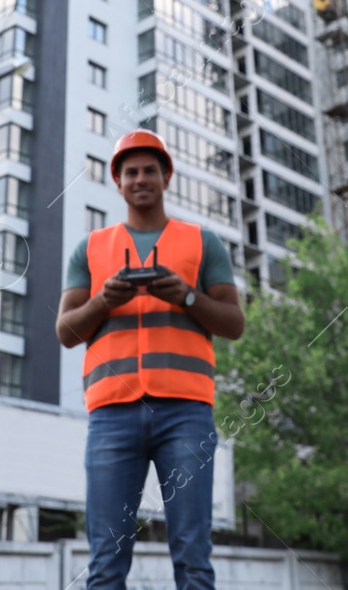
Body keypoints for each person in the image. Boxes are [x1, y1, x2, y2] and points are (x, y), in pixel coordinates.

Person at [55, 129, 246, 590]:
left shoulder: (203, 243)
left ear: (166, 177)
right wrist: (104, 300)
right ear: (117, 182)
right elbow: (66, 332)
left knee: (194, 558)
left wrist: (185, 296)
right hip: (111, 417)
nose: (141, 179)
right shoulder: (91, 248)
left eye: (149, 171)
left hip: (186, 412)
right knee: (105, 562)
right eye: (131, 172)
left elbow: (234, 323)